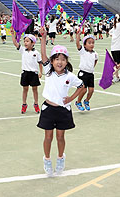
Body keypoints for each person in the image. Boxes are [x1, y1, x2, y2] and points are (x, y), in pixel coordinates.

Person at [37, 27, 84, 175]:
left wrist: (71, 98)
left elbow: (82, 87)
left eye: (63, 59)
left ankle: (60, 158)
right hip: (48, 109)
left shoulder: (70, 76)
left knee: (60, 136)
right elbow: (43, 53)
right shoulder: (48, 71)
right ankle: (47, 159)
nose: (60, 62)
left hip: (63, 110)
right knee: (48, 137)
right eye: (57, 59)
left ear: (66, 62)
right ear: (52, 61)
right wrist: (43, 37)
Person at [10, 27, 43, 114]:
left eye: (27, 41)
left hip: (34, 74)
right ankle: (24, 104)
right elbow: (15, 43)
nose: (25, 43)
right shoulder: (23, 50)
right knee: (25, 89)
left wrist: (40, 72)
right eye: (24, 41)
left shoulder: (36, 53)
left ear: (33, 43)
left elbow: (40, 63)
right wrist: (13, 34)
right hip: (25, 73)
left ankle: (36, 104)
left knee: (35, 89)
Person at [75, 29, 98, 111]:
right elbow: (77, 44)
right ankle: (78, 102)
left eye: (93, 42)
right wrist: (78, 35)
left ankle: (87, 101)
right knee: (83, 89)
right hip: (83, 73)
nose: (91, 44)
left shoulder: (95, 53)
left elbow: (96, 60)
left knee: (91, 90)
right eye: (89, 43)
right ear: (84, 45)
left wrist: (92, 67)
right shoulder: (83, 51)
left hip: (90, 74)